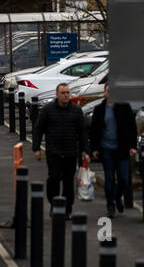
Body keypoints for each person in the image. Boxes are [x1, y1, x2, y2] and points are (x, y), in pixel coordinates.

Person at [32, 82, 89, 215]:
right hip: (54, 152)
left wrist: (85, 151)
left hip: (70, 152)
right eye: (63, 93)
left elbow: (82, 133)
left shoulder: (76, 111)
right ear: (57, 95)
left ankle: (67, 208)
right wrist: (36, 148)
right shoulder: (47, 110)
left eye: (67, 93)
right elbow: (38, 129)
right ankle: (54, 204)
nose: (65, 95)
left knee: (68, 183)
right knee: (54, 179)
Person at [88, 79, 138, 216]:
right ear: (104, 92)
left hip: (122, 148)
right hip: (106, 149)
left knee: (123, 178)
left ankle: (117, 196)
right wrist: (94, 149)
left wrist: (133, 146)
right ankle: (110, 205)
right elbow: (94, 131)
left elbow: (132, 128)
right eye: (108, 91)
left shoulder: (125, 107)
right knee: (109, 178)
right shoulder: (99, 109)